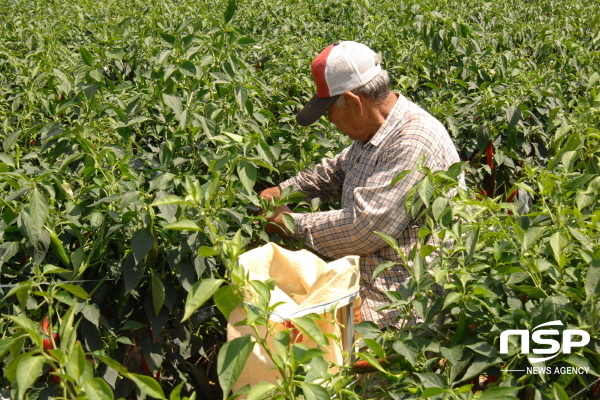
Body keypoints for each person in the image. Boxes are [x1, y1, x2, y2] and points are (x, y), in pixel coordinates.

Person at [259, 41, 460, 328]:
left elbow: (364, 229)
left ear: (354, 103)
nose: (330, 121)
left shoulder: (412, 140)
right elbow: (338, 168)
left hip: (401, 306)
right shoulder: (377, 129)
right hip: (368, 285)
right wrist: (286, 189)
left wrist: (290, 223)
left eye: (330, 112)